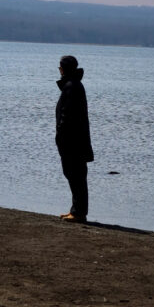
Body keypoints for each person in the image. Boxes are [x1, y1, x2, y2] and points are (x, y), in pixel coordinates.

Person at [55, 54, 94, 223]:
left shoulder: (72, 86)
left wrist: (61, 137)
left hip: (72, 142)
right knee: (74, 175)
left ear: (64, 69)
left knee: (76, 175)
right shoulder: (73, 85)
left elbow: (67, 117)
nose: (59, 70)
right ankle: (76, 210)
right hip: (75, 141)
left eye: (60, 67)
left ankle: (78, 213)